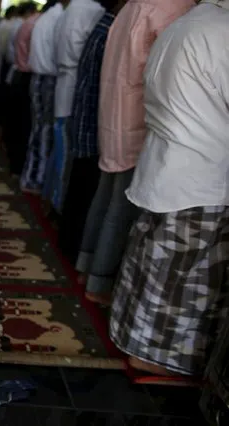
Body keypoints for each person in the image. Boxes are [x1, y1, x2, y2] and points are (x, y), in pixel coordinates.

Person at [110, 0, 229, 380]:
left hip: (167, 165)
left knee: (156, 268)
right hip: (200, 176)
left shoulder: (188, 23)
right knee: (184, 279)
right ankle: (156, 359)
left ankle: (132, 341)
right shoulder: (221, 31)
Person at [75, 0, 196, 305]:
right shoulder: (170, 8)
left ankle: (85, 266)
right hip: (135, 119)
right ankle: (99, 281)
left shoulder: (130, 7)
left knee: (105, 196)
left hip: (113, 114)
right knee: (120, 206)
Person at [58, 0, 126, 264]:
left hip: (85, 119)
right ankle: (73, 249)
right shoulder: (108, 30)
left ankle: (68, 243)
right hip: (92, 124)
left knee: (78, 186)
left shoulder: (103, 27)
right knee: (85, 191)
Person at [44, 0, 104, 214]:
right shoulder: (91, 10)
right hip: (72, 88)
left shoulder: (69, 10)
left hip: (64, 84)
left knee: (59, 147)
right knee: (64, 155)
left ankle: (51, 198)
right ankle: (57, 204)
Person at [20, 0, 64, 194]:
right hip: (47, 80)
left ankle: (32, 176)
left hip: (38, 78)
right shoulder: (56, 19)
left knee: (39, 129)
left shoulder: (45, 18)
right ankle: (36, 179)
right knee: (44, 131)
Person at [3, 3, 40, 176]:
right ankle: (18, 166)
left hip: (18, 75)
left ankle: (13, 161)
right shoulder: (34, 25)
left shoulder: (25, 25)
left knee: (17, 123)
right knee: (24, 125)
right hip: (26, 77)